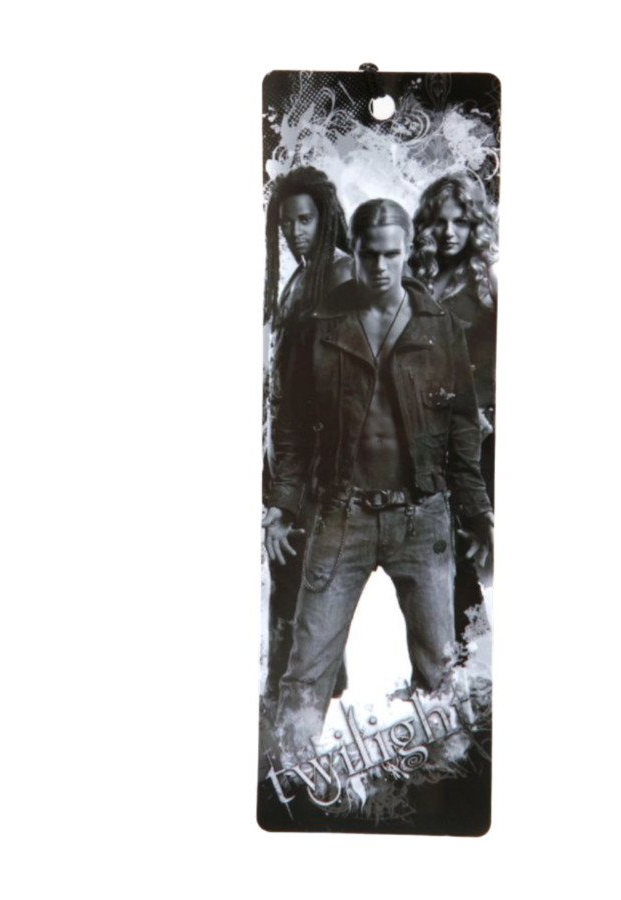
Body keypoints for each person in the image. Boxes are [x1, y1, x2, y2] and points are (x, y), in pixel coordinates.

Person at [264, 199, 495, 755]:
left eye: (392, 255)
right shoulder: (317, 327)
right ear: (356, 251)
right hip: (341, 512)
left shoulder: (441, 327)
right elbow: (290, 425)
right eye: (370, 255)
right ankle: (289, 777)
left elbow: (462, 429)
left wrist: (478, 510)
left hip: (422, 515)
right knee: (305, 669)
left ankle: (447, 781)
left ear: (407, 251)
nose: (381, 267)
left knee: (441, 672)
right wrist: (281, 505)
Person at [261, 167, 353, 703]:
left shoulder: (342, 276)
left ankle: (300, 707)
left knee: (308, 594)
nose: (296, 232)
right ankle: (292, 706)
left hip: (320, 469)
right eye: (286, 223)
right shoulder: (299, 279)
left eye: (305, 220)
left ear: (326, 218)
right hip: (289, 460)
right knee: (290, 587)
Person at [411, 173, 499, 641]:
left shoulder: (488, 281)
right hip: (426, 433)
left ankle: (471, 655)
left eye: (461, 222)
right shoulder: (412, 278)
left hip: (480, 435)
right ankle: (455, 658)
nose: (449, 233)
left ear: (474, 225)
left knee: (471, 547)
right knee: (437, 550)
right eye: (440, 222)